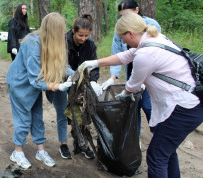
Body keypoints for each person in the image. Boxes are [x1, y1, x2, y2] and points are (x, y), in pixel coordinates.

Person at [80, 12, 203, 177]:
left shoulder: (146, 54)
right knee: (167, 151)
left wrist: (123, 94)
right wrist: (95, 63)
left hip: (182, 108)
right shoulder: (154, 39)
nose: (122, 41)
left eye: (122, 37)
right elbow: (126, 56)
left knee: (156, 156)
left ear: (130, 33)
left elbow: (133, 85)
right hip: (189, 104)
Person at [6, 12, 74, 169]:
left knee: (37, 118)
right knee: (23, 120)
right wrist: (58, 86)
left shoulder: (52, 42)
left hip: (34, 86)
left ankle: (40, 151)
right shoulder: (32, 43)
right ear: (52, 30)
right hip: (20, 84)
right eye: (60, 31)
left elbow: (60, 64)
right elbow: (35, 79)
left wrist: (77, 72)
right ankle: (17, 151)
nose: (63, 34)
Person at [102, 0, 162, 135]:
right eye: (122, 16)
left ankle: (158, 134)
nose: (124, 18)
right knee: (133, 105)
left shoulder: (151, 25)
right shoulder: (121, 28)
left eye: (127, 14)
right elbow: (118, 52)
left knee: (147, 105)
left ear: (137, 10)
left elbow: (151, 55)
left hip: (151, 71)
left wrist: (142, 80)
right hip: (132, 67)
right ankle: (135, 138)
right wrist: (112, 77)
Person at [45, 14, 98, 160]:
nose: (83, 39)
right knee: (62, 112)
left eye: (86, 36)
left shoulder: (90, 45)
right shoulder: (62, 42)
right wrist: (67, 79)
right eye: (81, 35)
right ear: (74, 31)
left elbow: (94, 67)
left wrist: (93, 81)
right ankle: (63, 143)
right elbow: (57, 64)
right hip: (60, 81)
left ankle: (82, 143)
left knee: (81, 114)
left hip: (80, 83)